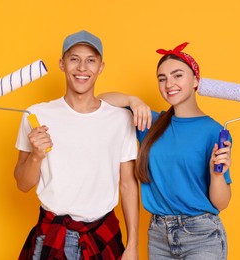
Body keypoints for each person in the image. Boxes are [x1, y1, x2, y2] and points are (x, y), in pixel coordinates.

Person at [99, 42, 232, 259]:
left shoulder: (214, 132)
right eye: (162, 78)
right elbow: (100, 101)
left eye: (177, 75)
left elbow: (221, 203)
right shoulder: (150, 122)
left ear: (196, 81)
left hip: (202, 235)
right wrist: (133, 100)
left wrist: (217, 175)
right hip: (159, 234)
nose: (169, 83)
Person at [14, 30, 139, 260]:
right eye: (74, 59)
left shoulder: (121, 119)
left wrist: (132, 246)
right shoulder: (36, 115)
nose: (82, 67)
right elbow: (22, 184)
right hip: (53, 233)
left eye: (90, 60)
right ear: (62, 64)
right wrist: (36, 157)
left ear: (101, 67)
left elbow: (128, 184)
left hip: (104, 234)